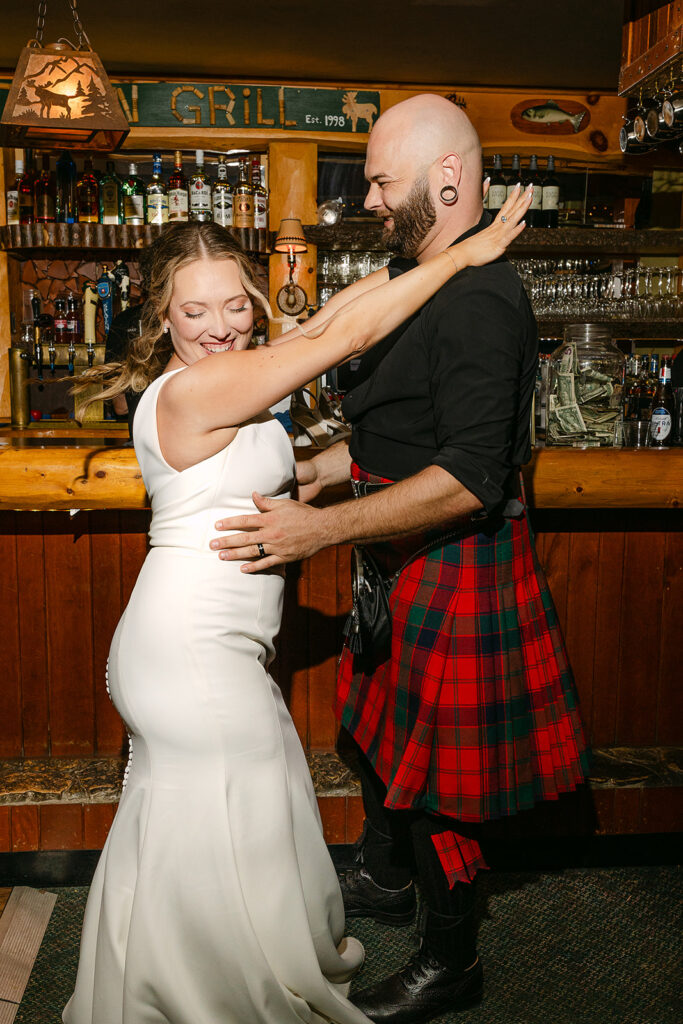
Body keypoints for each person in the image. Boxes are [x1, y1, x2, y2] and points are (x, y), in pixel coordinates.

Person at [63, 193, 530, 1023]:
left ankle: (158, 982)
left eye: (234, 303)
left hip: (201, 650)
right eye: (193, 310)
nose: (219, 325)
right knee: (223, 836)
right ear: (162, 319)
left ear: (253, 295)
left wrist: (425, 265)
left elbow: (329, 322)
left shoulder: (237, 378)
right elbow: (334, 337)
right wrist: (463, 258)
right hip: (191, 655)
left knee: (203, 828)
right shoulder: (194, 391)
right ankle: (207, 1000)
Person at [210, 94, 590, 1024]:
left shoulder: (484, 303)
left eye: (383, 180)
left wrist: (319, 528)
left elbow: (465, 476)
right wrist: (319, 472)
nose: (370, 197)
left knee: (440, 784)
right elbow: (395, 433)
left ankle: (447, 960)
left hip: (457, 559)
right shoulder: (410, 275)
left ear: (446, 180)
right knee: (384, 738)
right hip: (400, 554)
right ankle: (388, 884)